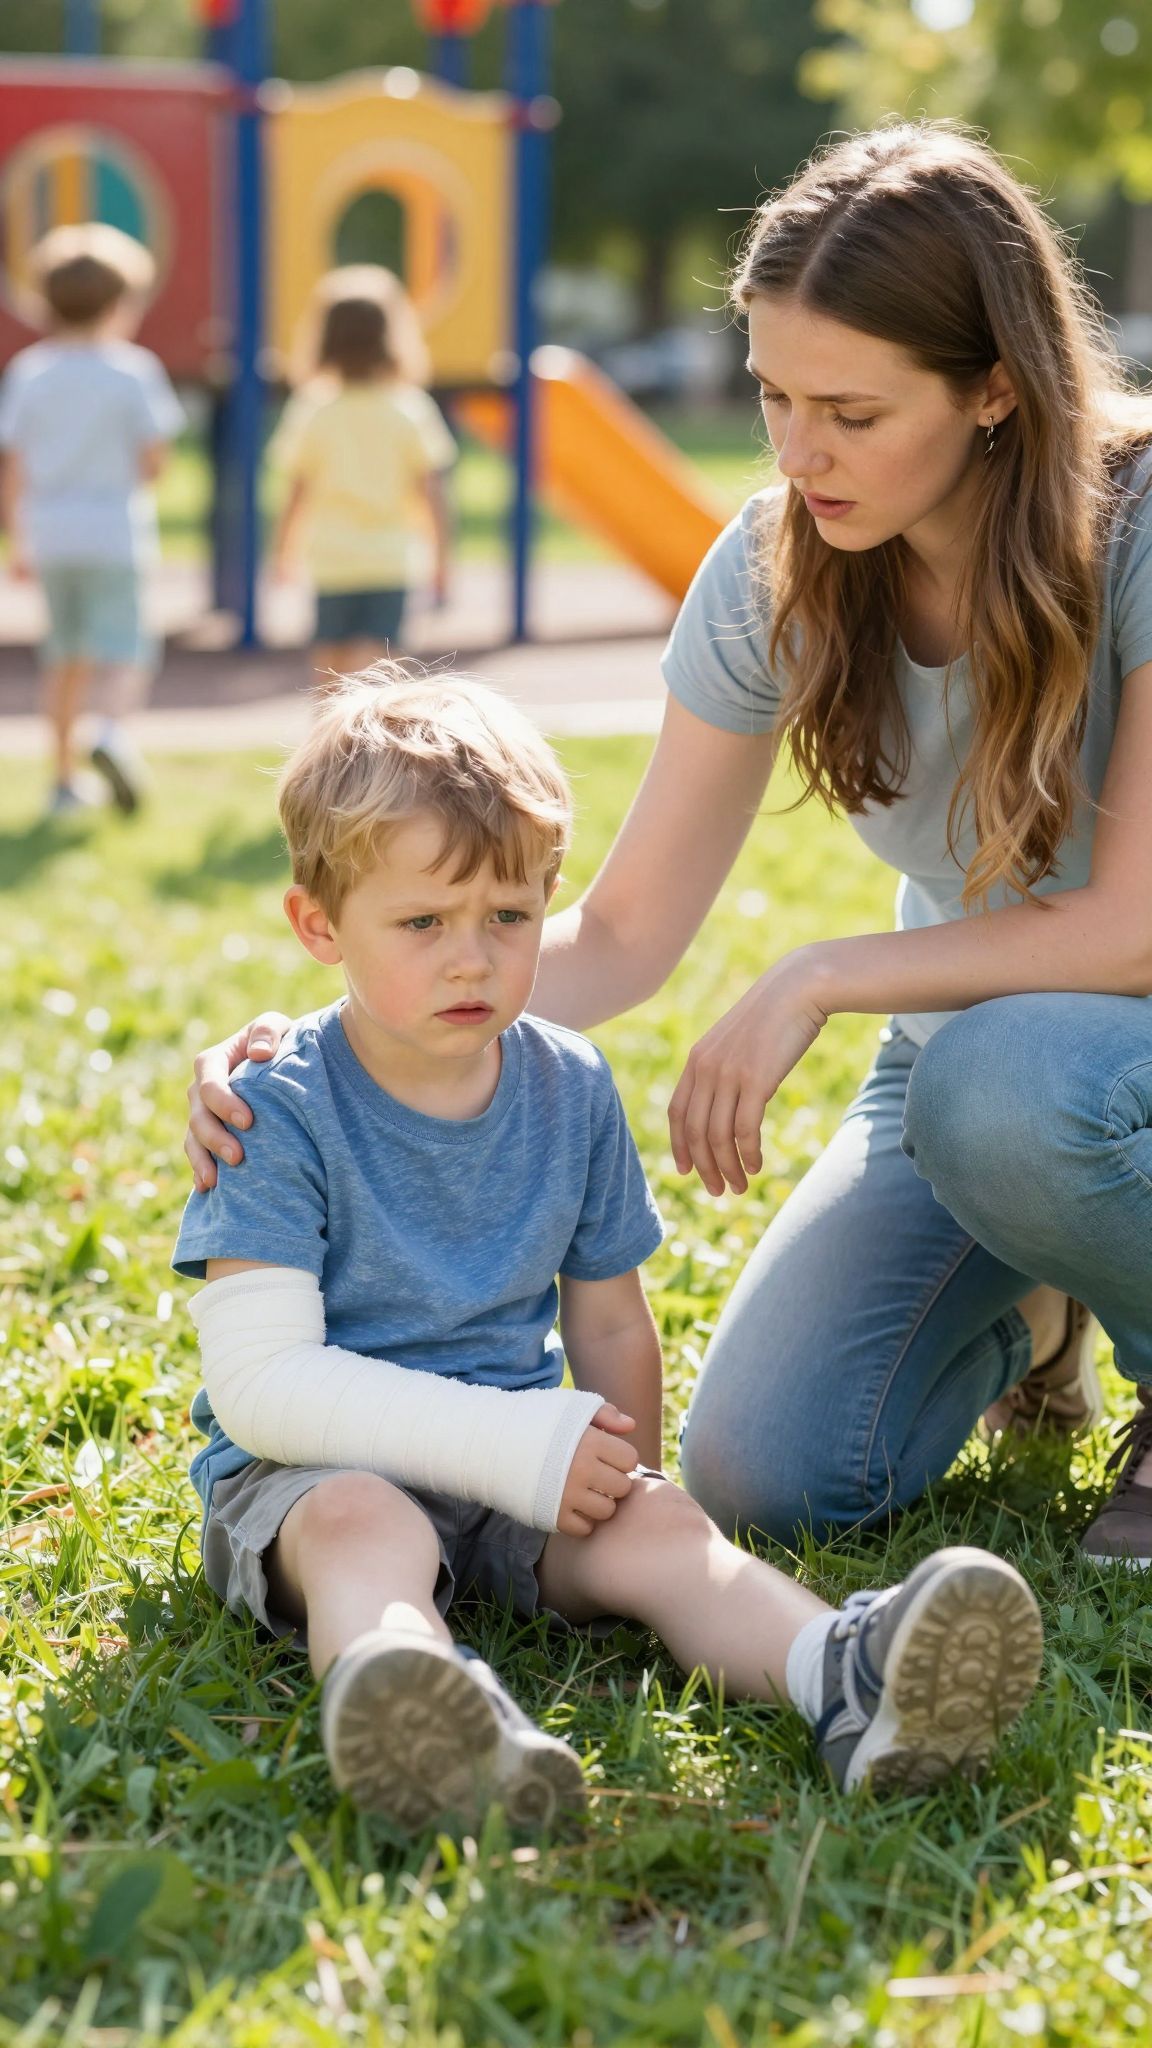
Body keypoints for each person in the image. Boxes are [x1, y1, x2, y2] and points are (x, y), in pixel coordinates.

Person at [186, 123, 1152, 1566]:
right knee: (773, 1470)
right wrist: (322, 1053)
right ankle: (1040, 1290)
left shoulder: (1136, 525)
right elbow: (626, 931)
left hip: (1057, 1057)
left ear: (997, 389)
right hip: (975, 1076)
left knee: (1001, 1086)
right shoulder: (780, 565)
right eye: (771, 395)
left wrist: (818, 972)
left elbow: (1126, 931)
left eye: (852, 411)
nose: (797, 452)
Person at [172, 671, 1041, 1832]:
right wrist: (521, 1440)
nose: (471, 959)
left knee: (665, 1529)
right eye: (422, 923)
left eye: (510, 917)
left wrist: (627, 1476)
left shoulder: (567, 1081)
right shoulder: (274, 1105)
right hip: (309, 1476)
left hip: (518, 1470)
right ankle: (423, 1711)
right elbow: (262, 1389)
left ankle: (846, 1672)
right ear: (319, 925)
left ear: (546, 899)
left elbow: (611, 1318)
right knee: (361, 1527)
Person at [0, 223, 184, 815]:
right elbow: (154, 460)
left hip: (50, 535)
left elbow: (14, 465)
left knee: (64, 657)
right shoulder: (133, 370)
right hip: (114, 532)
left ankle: (61, 780)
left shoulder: (30, 371)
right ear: (120, 303)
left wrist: (17, 540)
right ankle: (109, 732)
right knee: (126, 649)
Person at [269, 266, 455, 679]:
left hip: (331, 559)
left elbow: (296, 491)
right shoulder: (409, 408)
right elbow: (432, 493)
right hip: (390, 559)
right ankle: (376, 745)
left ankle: (328, 743)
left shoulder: (313, 408)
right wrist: (442, 559)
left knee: (329, 672)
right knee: (382, 676)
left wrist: (282, 552)